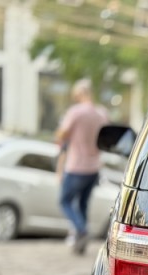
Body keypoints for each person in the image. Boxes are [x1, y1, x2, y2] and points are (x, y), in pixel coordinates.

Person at [55, 79, 108, 254]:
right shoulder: (101, 114)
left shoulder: (76, 112)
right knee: (83, 204)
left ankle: (81, 230)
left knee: (65, 200)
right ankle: (81, 244)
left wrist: (62, 137)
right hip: (94, 168)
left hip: (77, 166)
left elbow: (62, 134)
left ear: (79, 94)